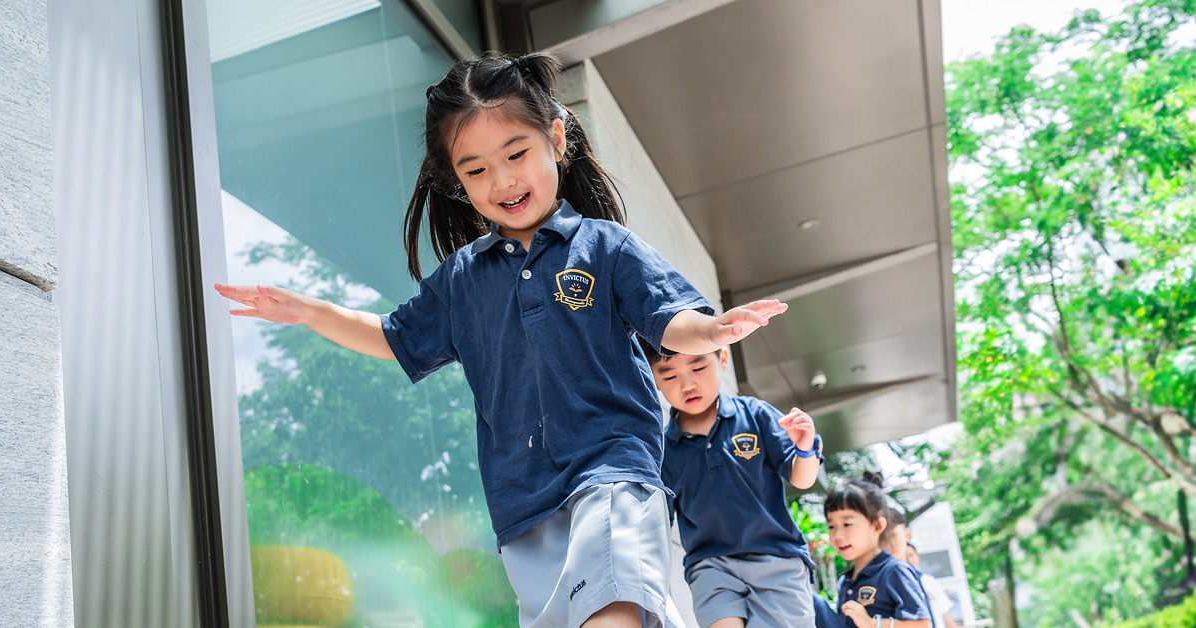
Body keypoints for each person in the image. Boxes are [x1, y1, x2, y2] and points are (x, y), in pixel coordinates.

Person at [214, 52, 789, 628]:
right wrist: (310, 311)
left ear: (556, 140)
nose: (504, 180)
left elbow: (667, 318)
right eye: (477, 170)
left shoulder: (604, 246)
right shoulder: (463, 279)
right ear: (459, 183)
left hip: (612, 472)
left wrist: (711, 330)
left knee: (613, 611)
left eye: (517, 154)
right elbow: (393, 338)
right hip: (521, 502)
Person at [648, 344, 824, 628]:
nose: (687, 384)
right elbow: (658, 520)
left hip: (777, 558)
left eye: (698, 367)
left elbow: (801, 478)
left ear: (723, 359)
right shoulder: (663, 451)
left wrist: (804, 448)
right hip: (711, 565)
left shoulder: (754, 414)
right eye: (669, 377)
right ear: (654, 379)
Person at [824, 473, 932, 628]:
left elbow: (923, 624)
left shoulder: (895, 571)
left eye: (847, 524)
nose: (838, 535)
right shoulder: (845, 581)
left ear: (877, 526)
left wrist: (873, 624)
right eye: (831, 526)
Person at [877, 508, 955, 628]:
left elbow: (945, 616)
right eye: (884, 538)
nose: (890, 544)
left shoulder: (926, 580)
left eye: (893, 536)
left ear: (906, 534)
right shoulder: (878, 582)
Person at [905, 544, 959, 628]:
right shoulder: (900, 584)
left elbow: (944, 612)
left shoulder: (928, 580)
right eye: (904, 556)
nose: (908, 559)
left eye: (911, 555)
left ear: (917, 556)